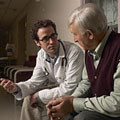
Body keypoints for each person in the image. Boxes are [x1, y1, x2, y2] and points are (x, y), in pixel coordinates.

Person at [46, 3, 120, 120]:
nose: (74, 39)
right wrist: (66, 102)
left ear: (89, 34)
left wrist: (73, 103)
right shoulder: (90, 48)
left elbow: (117, 103)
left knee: (82, 118)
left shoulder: (118, 49)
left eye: (75, 34)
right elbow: (86, 82)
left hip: (114, 111)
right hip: (98, 107)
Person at [0, 19, 84, 120]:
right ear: (37, 43)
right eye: (45, 39)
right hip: (60, 87)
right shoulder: (41, 55)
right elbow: (35, 81)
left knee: (36, 98)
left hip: (75, 92)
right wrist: (16, 87)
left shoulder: (74, 52)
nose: (52, 42)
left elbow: (69, 88)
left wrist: (38, 95)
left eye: (53, 36)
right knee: (28, 99)